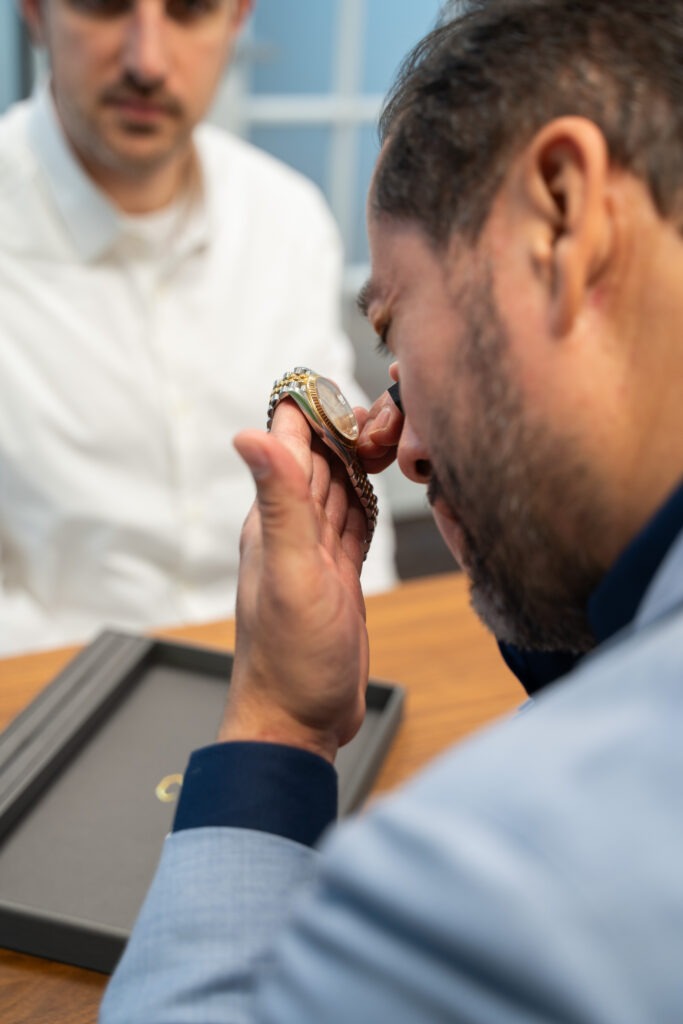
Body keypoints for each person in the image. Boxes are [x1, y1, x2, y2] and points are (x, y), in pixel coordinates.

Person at [100, 0, 683, 1020]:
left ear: (560, 210)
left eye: (393, 330)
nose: (398, 443)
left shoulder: (477, 886)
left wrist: (275, 721)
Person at [0, 0, 396, 656]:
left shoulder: (287, 220)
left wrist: (360, 638)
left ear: (238, 16)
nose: (147, 62)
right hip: (52, 694)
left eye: (188, 9)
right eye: (104, 6)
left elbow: (346, 481)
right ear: (35, 12)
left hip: (292, 672)